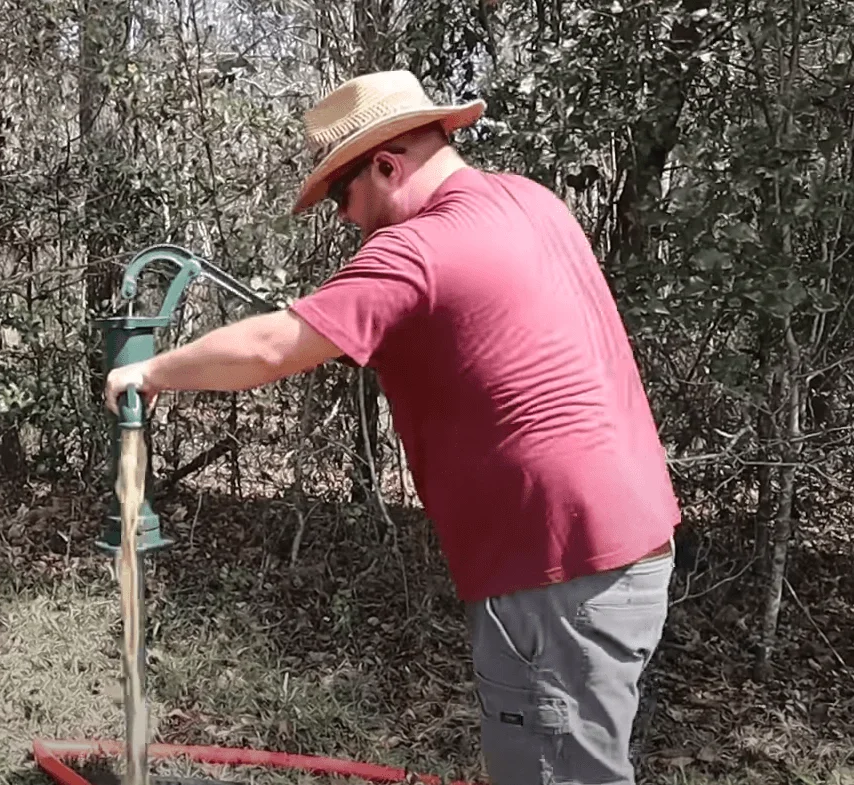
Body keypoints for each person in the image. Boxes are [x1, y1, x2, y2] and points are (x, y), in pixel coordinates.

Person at [104, 70, 680, 785]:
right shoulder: (531, 201)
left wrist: (150, 372)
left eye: (344, 195)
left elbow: (270, 348)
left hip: (554, 565)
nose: (346, 217)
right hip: (629, 544)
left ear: (387, 163)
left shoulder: (418, 249)